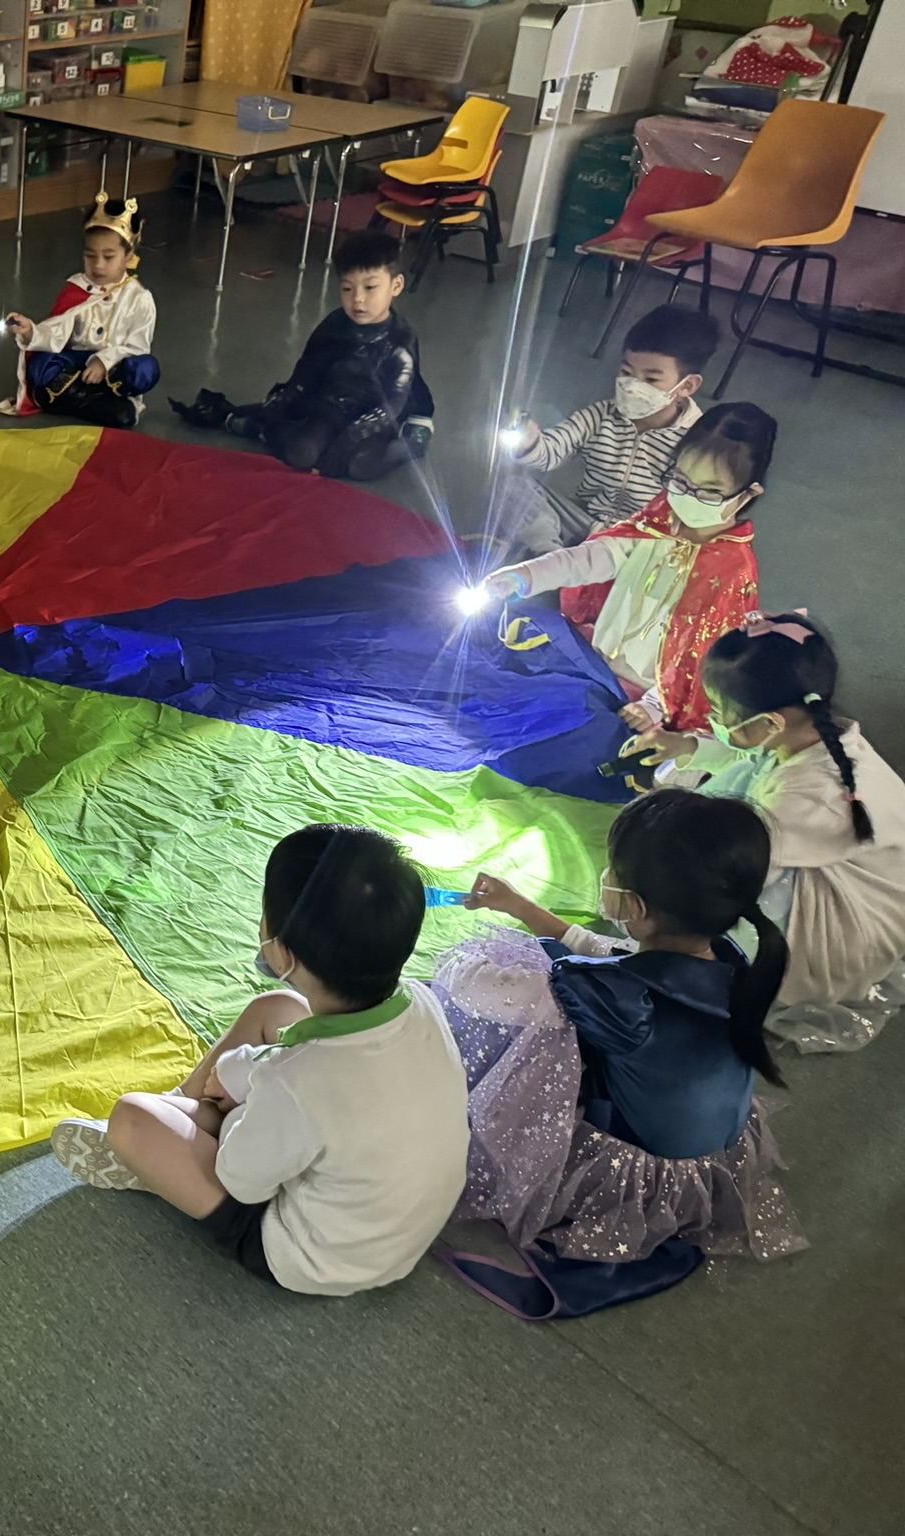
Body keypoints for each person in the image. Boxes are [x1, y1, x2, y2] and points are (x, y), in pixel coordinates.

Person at [51, 825, 469, 1298]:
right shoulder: (421, 1001)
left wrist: (236, 1104)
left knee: (131, 1120)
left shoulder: (296, 1082)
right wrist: (252, 1083)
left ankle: (172, 1137)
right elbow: (328, 1085)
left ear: (283, 953)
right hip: (394, 1229)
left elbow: (243, 1181)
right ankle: (183, 1112)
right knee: (275, 1008)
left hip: (315, 1257)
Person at [446, 790, 804, 1273]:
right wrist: (520, 907)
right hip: (715, 1150)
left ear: (634, 906)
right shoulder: (727, 956)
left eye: (611, 870)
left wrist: (458, 959)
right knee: (554, 977)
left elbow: (485, 991)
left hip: (642, 1174)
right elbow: (609, 952)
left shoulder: (621, 998)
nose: (606, 876)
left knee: (515, 1015)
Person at [629, 614, 905, 1053]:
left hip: (850, 929)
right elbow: (753, 760)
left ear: (772, 723)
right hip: (808, 845)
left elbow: (730, 867)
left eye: (719, 712)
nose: (712, 719)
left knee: (706, 894)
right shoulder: (815, 736)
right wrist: (687, 747)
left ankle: (788, 980)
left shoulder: (809, 802)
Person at [480, 402, 774, 735]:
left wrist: (653, 706)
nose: (688, 497)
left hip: (644, 694)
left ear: (747, 495)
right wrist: (526, 575)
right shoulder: (659, 519)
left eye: (710, 491)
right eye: (680, 480)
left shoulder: (733, 570)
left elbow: (703, 659)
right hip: (594, 656)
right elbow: (593, 558)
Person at [169, 231, 434, 481]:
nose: (358, 300)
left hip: (377, 415)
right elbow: (304, 375)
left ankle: (411, 444)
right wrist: (273, 411)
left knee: (360, 466)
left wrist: (346, 443)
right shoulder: (335, 326)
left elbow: (391, 406)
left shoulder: (400, 342)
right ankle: (258, 429)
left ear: (396, 285)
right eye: (347, 289)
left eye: (370, 287)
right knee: (301, 453)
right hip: (331, 406)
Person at [498, 303, 721, 555]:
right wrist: (530, 442)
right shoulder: (602, 414)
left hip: (640, 540)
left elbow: (691, 513)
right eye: (627, 371)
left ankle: (568, 561)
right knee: (512, 488)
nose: (632, 385)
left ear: (687, 386)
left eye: (651, 379)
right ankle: (550, 554)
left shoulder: (696, 442)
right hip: (586, 522)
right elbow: (553, 450)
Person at [0, 193, 159, 429]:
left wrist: (103, 362)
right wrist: (32, 331)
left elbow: (138, 347)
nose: (98, 265)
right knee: (40, 366)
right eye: (90, 256)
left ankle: (67, 400)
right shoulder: (77, 288)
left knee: (146, 368)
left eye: (108, 257)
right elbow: (58, 333)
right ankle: (97, 404)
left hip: (113, 371)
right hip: (75, 368)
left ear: (129, 256)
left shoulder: (140, 299)